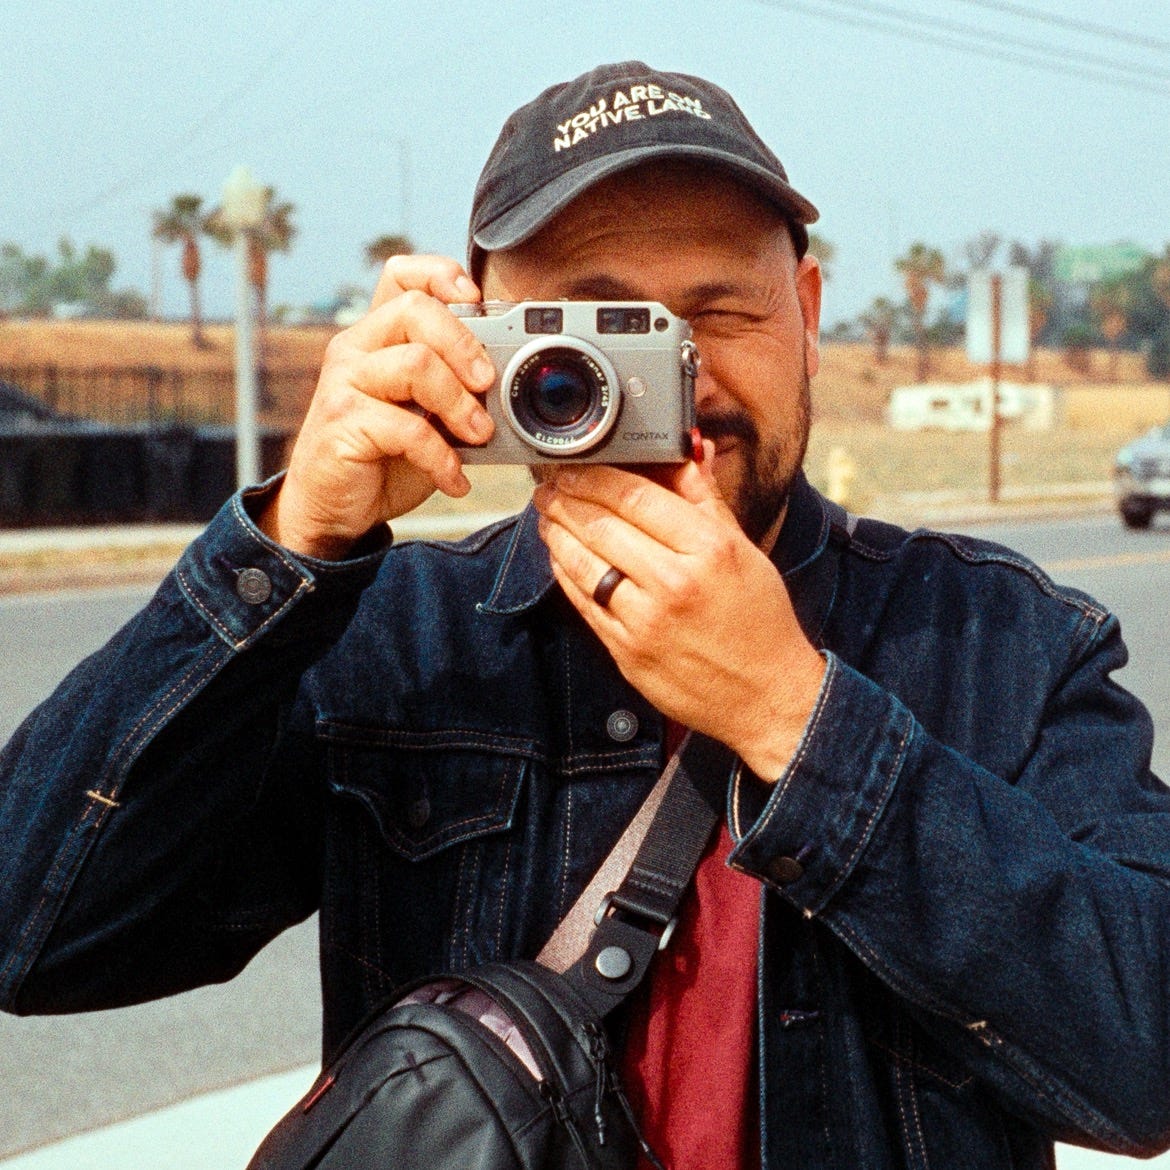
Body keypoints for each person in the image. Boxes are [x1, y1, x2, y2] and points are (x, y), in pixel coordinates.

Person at [2, 60, 1170, 1169]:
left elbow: (1147, 1057)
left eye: (720, 315)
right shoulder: (402, 641)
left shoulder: (1000, 641)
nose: (669, 380)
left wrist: (794, 716)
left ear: (809, 316)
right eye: (596, 330)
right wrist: (293, 540)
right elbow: (36, 932)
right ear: (476, 343)